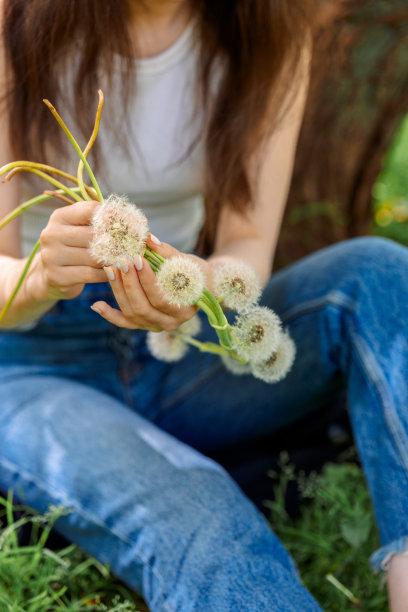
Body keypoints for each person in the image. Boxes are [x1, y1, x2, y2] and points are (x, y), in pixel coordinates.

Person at [0, 1, 407, 610]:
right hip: (35, 362)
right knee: (202, 514)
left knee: (377, 272)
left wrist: (192, 291)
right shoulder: (14, 21)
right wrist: (41, 280)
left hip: (180, 347)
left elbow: (246, 243)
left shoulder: (271, 35)